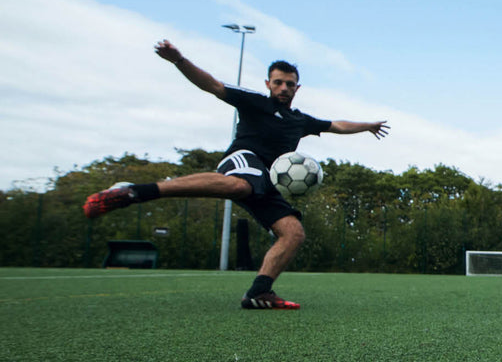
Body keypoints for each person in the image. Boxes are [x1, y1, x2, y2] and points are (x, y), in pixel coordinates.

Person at [83, 39, 389, 310]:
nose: (284, 88)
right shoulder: (254, 102)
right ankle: (135, 191)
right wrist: (179, 60)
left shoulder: (300, 121)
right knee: (242, 185)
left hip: (269, 181)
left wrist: (368, 125)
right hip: (243, 160)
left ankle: (259, 292)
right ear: (268, 84)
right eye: (278, 82)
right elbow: (212, 85)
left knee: (293, 233)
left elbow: (336, 125)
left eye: (290, 84)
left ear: (297, 88)